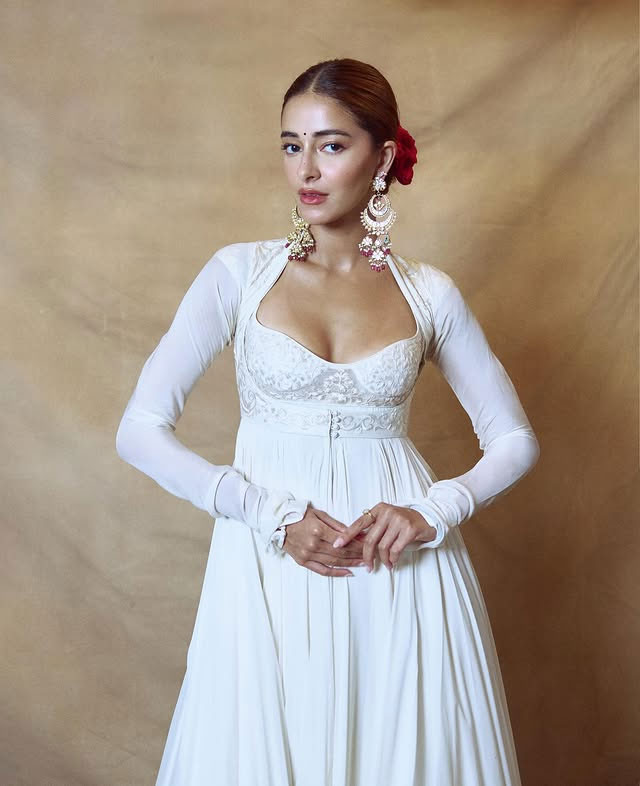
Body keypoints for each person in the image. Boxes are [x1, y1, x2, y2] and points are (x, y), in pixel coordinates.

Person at [116, 57, 540, 786]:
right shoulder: (238, 274)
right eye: (292, 145)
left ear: (382, 157)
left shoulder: (429, 293)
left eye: (331, 145)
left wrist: (435, 510)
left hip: (399, 568)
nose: (306, 169)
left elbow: (514, 440)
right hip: (270, 559)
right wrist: (266, 512)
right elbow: (140, 429)